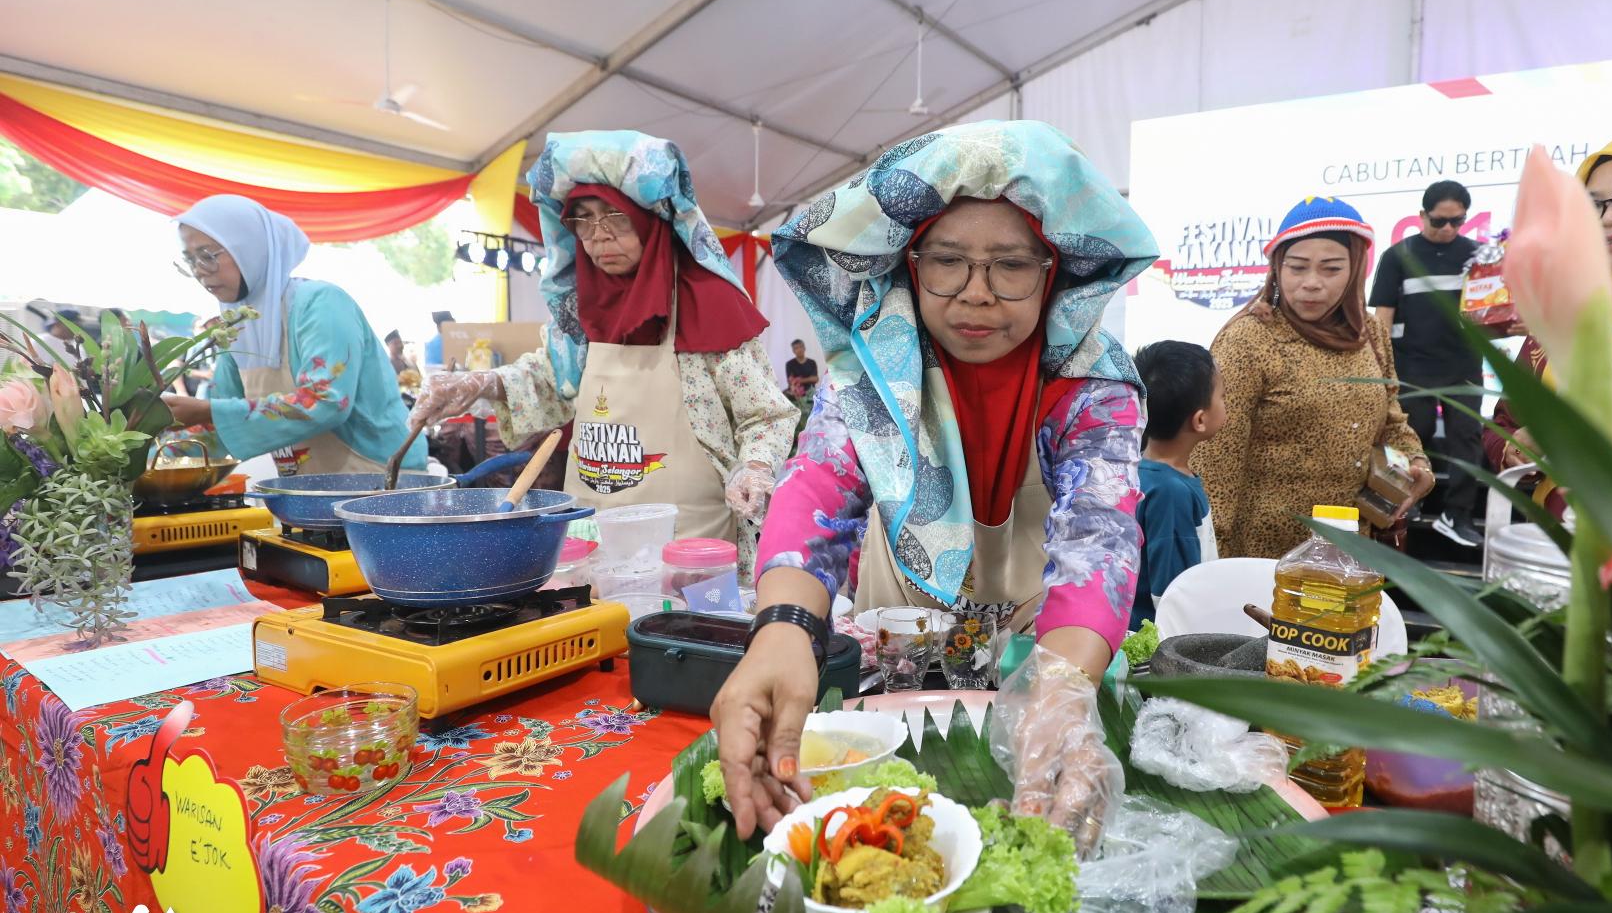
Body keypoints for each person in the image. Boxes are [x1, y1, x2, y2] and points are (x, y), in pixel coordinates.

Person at [709, 120, 1159, 849]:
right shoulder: (870, 372)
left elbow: (1099, 537)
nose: (977, 296)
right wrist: (783, 631)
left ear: (1058, 272)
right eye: (948, 262)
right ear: (910, 265)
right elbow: (819, 482)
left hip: (1041, 652)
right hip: (901, 644)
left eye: (1011, 266)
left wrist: (1064, 695)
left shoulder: (1093, 387)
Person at [407, 131, 798, 574]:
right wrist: (483, 382)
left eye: (615, 216)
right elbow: (553, 379)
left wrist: (755, 465)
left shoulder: (706, 301)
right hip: (592, 545)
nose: (598, 235)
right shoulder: (582, 303)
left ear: (649, 218)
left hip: (689, 547)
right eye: (584, 219)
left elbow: (765, 414)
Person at [1193, 196, 1433, 560]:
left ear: (1356, 269)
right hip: (1261, 558)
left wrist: (1416, 462)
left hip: (1350, 550)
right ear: (1277, 267)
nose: (1311, 283)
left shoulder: (1369, 334)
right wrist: (1214, 566)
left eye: (1331, 269)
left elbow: (1391, 423)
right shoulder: (1250, 340)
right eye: (1297, 267)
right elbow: (1215, 465)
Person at [1486, 127, 1612, 497]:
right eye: (1593, 204)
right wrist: (1515, 448)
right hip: (1558, 544)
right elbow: (1506, 418)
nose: (1609, 217)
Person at [161, 195, 425, 475]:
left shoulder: (320, 304)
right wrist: (146, 449)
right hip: (311, 485)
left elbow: (326, 402)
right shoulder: (236, 328)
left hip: (383, 473)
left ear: (250, 247)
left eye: (208, 256)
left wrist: (207, 411)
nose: (200, 272)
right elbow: (220, 424)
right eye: (190, 260)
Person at [1369, 179, 1484, 547]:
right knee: (1407, 437)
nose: (1448, 229)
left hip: (1463, 364)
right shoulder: (1397, 256)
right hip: (1411, 365)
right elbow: (1382, 316)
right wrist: (1379, 366)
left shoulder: (1478, 256)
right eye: (1439, 221)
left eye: (1457, 221)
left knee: (1467, 438)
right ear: (1422, 216)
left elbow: (1488, 310)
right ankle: (1407, 505)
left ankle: (1458, 515)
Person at [1130, 340, 1224, 630]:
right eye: (1222, 395)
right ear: (1200, 419)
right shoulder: (1171, 494)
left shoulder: (1146, 473)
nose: (1225, 402)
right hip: (1159, 642)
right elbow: (1172, 592)